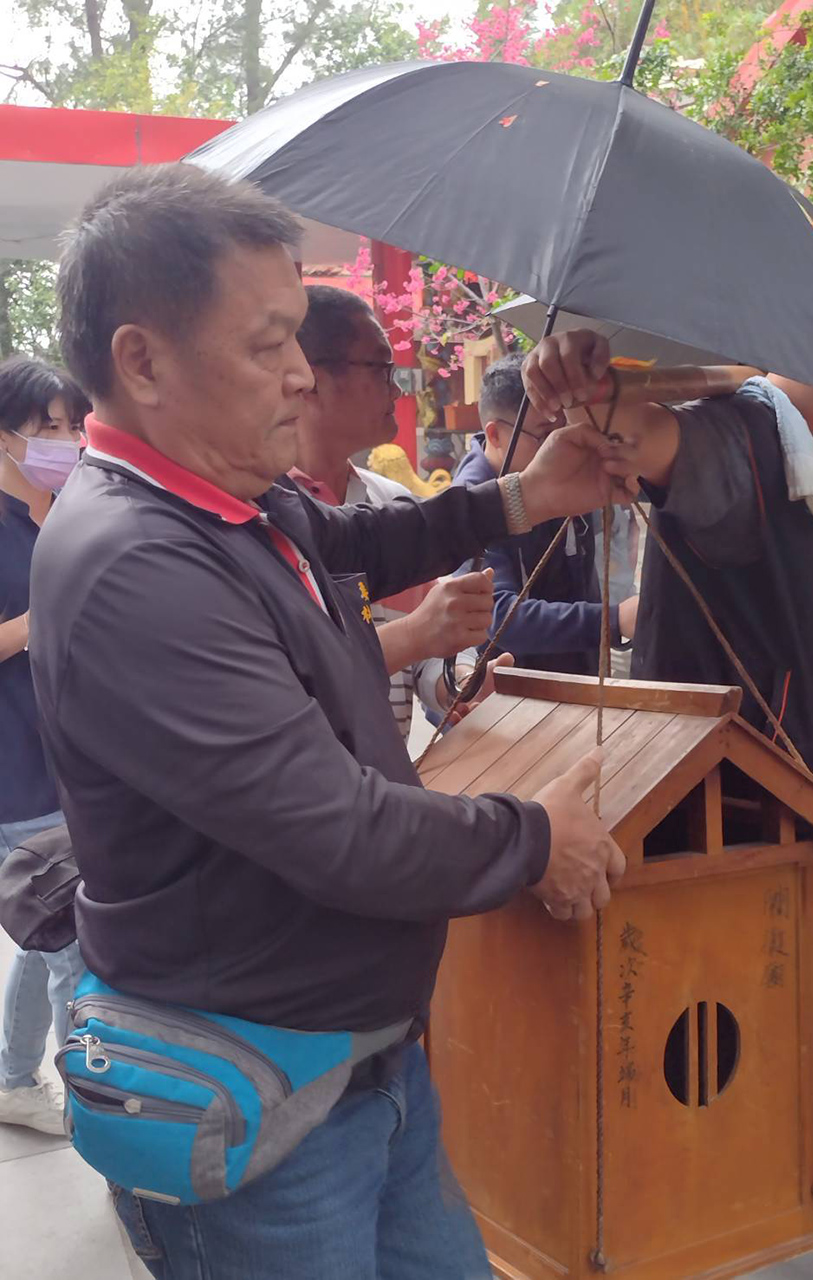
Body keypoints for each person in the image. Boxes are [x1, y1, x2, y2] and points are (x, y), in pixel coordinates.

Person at [29, 163, 636, 1280]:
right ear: (143, 361)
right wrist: (536, 835)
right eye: (269, 344)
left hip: (360, 1063)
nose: (302, 374)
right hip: (256, 1097)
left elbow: (355, 541)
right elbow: (341, 831)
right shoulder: (135, 564)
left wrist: (527, 496)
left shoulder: (230, 501)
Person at [522, 329, 813, 1280]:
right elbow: (662, 443)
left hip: (762, 785)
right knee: (764, 1015)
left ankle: (756, 1204)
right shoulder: (751, 432)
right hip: (713, 795)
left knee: (740, 1016)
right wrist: (599, 400)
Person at [293, 284, 498, 739]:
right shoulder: (262, 516)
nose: (399, 390)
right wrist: (416, 634)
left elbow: (426, 655)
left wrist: (460, 683)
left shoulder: (389, 500)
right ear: (309, 378)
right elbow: (293, 678)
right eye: (382, 369)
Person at [0, 355, 87, 1136]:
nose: (65, 440)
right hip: (18, 766)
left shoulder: (67, 512)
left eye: (71, 425)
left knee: (41, 922)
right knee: (71, 946)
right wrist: (40, 621)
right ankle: (99, 1119)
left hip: (76, 757)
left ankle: (9, 1077)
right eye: (46, 427)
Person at [451, 354, 639, 675]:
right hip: (510, 687)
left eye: (563, 431)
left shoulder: (559, 474)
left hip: (578, 677)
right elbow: (497, 616)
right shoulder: (470, 504)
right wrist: (612, 620)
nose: (559, 447)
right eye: (545, 436)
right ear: (495, 435)